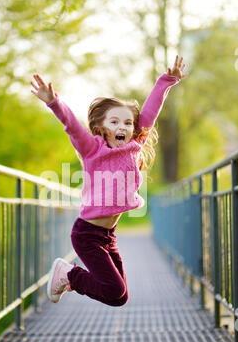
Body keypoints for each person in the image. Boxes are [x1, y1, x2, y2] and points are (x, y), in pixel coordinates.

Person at [31, 55, 187, 306]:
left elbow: (150, 114)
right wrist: (54, 103)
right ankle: (69, 273)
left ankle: (70, 277)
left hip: (108, 235)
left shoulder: (135, 146)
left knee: (120, 296)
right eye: (114, 122)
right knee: (114, 291)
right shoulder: (91, 149)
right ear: (101, 127)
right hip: (87, 235)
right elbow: (72, 126)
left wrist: (167, 80)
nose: (122, 126)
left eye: (127, 122)